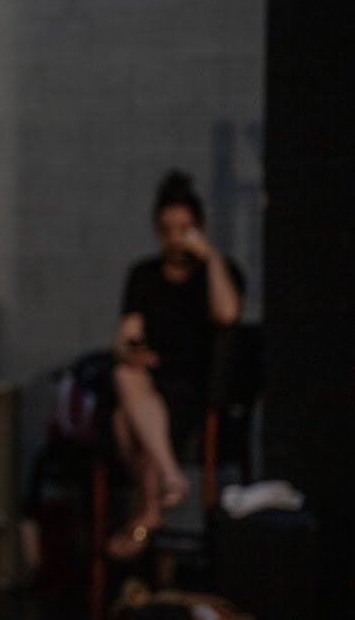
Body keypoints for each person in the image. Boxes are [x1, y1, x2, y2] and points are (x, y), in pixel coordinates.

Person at [107, 170, 244, 559]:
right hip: (151, 377)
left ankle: (149, 511)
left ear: (197, 228)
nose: (174, 237)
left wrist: (211, 257)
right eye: (167, 228)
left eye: (184, 228)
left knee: (125, 422)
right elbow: (125, 333)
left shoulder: (217, 272)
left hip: (193, 386)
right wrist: (131, 349)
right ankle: (168, 481)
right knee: (125, 377)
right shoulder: (144, 275)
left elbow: (228, 313)